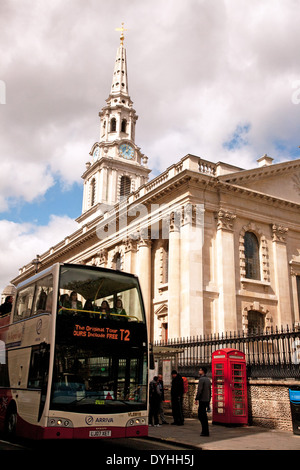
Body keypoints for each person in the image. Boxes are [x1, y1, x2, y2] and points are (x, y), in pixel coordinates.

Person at [195, 366, 211, 436]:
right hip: (206, 399)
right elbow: (210, 391)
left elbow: (199, 390)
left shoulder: (201, 379)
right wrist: (209, 400)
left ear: (203, 371)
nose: (199, 371)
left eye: (200, 370)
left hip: (202, 399)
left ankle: (205, 431)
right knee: (204, 416)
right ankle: (205, 431)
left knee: (201, 415)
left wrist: (196, 398)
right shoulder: (208, 379)